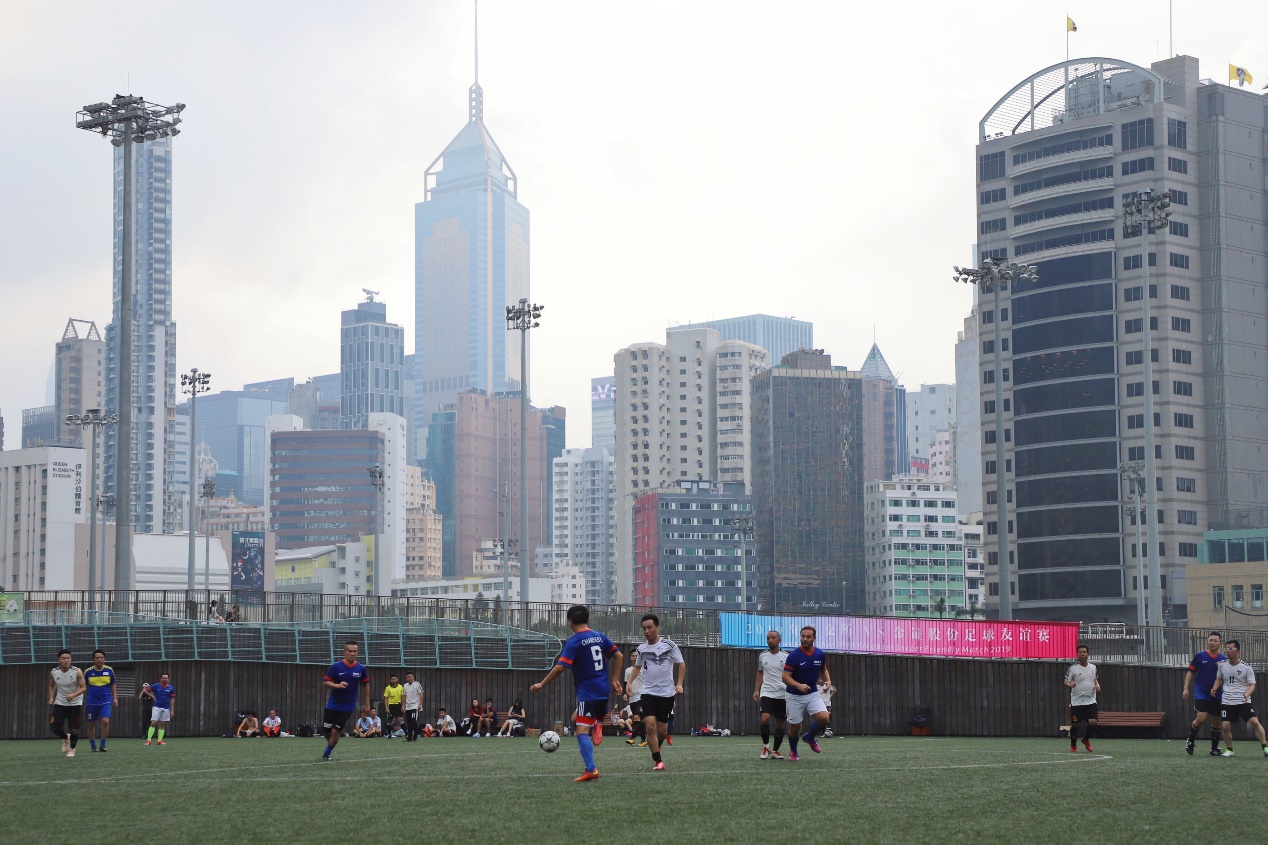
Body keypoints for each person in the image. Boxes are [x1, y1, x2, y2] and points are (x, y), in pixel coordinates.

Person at [530, 604, 623, 782]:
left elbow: (560, 667)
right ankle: (597, 724)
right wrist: (615, 679)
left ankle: (591, 769)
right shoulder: (599, 636)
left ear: (570, 621)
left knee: (581, 732)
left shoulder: (575, 641)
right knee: (574, 719)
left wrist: (541, 684)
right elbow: (619, 655)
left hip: (589, 692)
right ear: (587, 619)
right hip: (603, 690)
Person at [625, 613, 685, 772]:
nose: (647, 631)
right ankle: (658, 760)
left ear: (657, 627)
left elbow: (681, 664)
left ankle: (657, 746)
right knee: (650, 725)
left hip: (666, 694)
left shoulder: (669, 645)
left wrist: (679, 684)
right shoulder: (641, 648)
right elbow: (637, 667)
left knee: (662, 731)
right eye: (644, 628)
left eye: (650, 627)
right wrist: (629, 683)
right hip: (647, 692)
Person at [781, 626, 831, 762]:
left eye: (808, 637)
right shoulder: (794, 656)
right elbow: (785, 677)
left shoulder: (819, 654)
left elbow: (823, 670)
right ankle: (793, 752)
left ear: (814, 638)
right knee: (795, 727)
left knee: (824, 718)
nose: (805, 639)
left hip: (812, 694)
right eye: (803, 636)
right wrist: (798, 685)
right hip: (794, 696)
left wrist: (828, 681)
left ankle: (809, 737)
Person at [1210, 639, 1267, 758]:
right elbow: (1219, 678)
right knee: (1225, 726)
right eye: (1226, 649)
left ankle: (1265, 747)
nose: (1228, 651)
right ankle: (1229, 749)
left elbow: (1252, 684)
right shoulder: (1222, 665)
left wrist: (1247, 694)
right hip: (1227, 700)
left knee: (1254, 722)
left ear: (1238, 651)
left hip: (1242, 700)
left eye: (1231, 649)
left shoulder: (1246, 667)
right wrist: (1215, 688)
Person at [321, 640, 370, 761]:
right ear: (344, 652)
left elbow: (365, 685)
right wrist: (337, 685)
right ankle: (331, 743)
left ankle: (327, 753)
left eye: (355, 651)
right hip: (333, 704)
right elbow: (325, 682)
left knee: (336, 730)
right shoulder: (336, 666)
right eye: (350, 651)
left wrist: (367, 703)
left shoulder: (361, 669)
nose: (352, 654)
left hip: (348, 705)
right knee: (327, 731)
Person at [1183, 631, 1228, 756]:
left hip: (1217, 694)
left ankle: (1214, 748)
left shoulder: (1223, 660)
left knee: (1216, 720)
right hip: (1201, 692)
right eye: (1210, 640)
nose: (1212, 642)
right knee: (1201, 717)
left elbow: (1225, 677)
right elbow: (1191, 671)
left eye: (1215, 641)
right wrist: (1186, 688)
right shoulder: (1200, 656)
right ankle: (1190, 740)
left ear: (1220, 643)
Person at [754, 629, 789, 760]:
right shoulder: (762, 656)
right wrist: (756, 690)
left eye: (773, 638)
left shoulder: (786, 656)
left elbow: (791, 674)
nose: (770, 640)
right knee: (764, 719)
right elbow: (760, 672)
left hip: (782, 693)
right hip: (767, 692)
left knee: (780, 723)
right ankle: (766, 747)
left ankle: (775, 751)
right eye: (768, 638)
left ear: (779, 640)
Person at [48, 649, 86, 757]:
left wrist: (73, 695)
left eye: (68, 658)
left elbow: (83, 687)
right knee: (54, 727)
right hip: (60, 703)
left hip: (75, 704)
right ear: (59, 660)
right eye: (63, 658)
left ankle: (72, 749)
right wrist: (51, 697)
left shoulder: (77, 671)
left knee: (74, 729)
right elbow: (51, 685)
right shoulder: (54, 672)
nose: (66, 660)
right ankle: (66, 737)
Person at [1064, 644, 1100, 753]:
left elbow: (1095, 679)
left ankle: (1085, 739)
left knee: (1093, 722)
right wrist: (1070, 684)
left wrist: (1097, 685)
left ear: (1088, 654)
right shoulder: (1073, 668)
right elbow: (1066, 681)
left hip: (1090, 700)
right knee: (1076, 724)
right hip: (1077, 701)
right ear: (1077, 654)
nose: (1082, 654)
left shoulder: (1093, 667)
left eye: (1084, 652)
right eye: (1080, 652)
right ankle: (1073, 745)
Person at [83, 649, 117, 752]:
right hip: (91, 701)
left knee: (105, 721)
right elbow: (83, 686)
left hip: (106, 700)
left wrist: (115, 698)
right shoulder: (88, 672)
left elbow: (113, 684)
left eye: (101, 658)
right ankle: (93, 745)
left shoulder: (109, 670)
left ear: (104, 659)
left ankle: (103, 744)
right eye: (97, 658)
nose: (99, 660)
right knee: (91, 723)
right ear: (93, 659)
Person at [139, 672, 176, 746]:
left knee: (162, 724)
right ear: (160, 679)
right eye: (163, 678)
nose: (165, 679)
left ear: (168, 679)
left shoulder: (171, 688)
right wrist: (153, 697)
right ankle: (148, 740)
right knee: (153, 722)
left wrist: (172, 710)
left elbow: (172, 699)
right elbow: (145, 690)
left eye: (166, 678)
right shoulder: (156, 686)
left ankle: (159, 741)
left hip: (166, 708)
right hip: (157, 707)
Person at [402, 672, 424, 741]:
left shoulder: (417, 684)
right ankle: (409, 736)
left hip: (415, 705)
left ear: (413, 677)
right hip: (408, 705)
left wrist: (420, 704)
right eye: (407, 677)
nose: (408, 678)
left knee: (413, 720)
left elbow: (421, 694)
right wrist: (403, 705)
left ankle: (415, 735)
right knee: (408, 721)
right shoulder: (405, 685)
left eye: (410, 677)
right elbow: (404, 696)